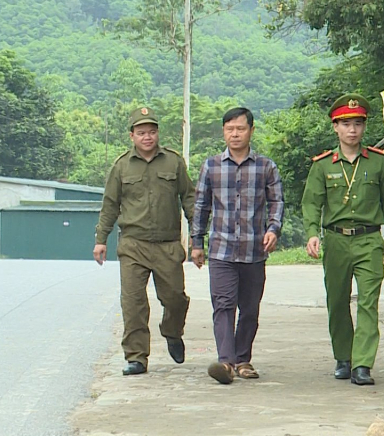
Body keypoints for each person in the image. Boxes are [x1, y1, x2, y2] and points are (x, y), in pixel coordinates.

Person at [301, 93, 384, 386]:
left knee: (368, 302)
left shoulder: (378, 162)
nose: (352, 130)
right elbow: (311, 203)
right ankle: (343, 357)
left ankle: (362, 364)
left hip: (369, 240)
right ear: (335, 127)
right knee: (337, 301)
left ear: (364, 127)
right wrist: (312, 233)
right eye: (346, 124)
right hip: (336, 241)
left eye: (358, 124)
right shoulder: (323, 165)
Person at [94, 106, 196, 376]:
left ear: (158, 133)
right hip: (133, 244)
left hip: (167, 244)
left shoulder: (173, 162)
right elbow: (110, 204)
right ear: (132, 136)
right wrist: (101, 239)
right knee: (133, 303)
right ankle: (136, 356)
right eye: (141, 133)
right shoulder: (121, 166)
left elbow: (189, 198)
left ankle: (172, 331)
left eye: (151, 132)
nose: (147, 137)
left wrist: (197, 237)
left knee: (175, 298)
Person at [191, 107, 284, 385]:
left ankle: (243, 359)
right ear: (223, 132)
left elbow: (277, 202)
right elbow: (201, 206)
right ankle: (226, 362)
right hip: (221, 249)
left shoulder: (266, 167)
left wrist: (273, 229)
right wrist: (196, 243)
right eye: (230, 129)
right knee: (223, 305)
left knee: (250, 309)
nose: (235, 134)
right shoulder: (211, 166)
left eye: (240, 129)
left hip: (254, 250)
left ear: (251, 131)